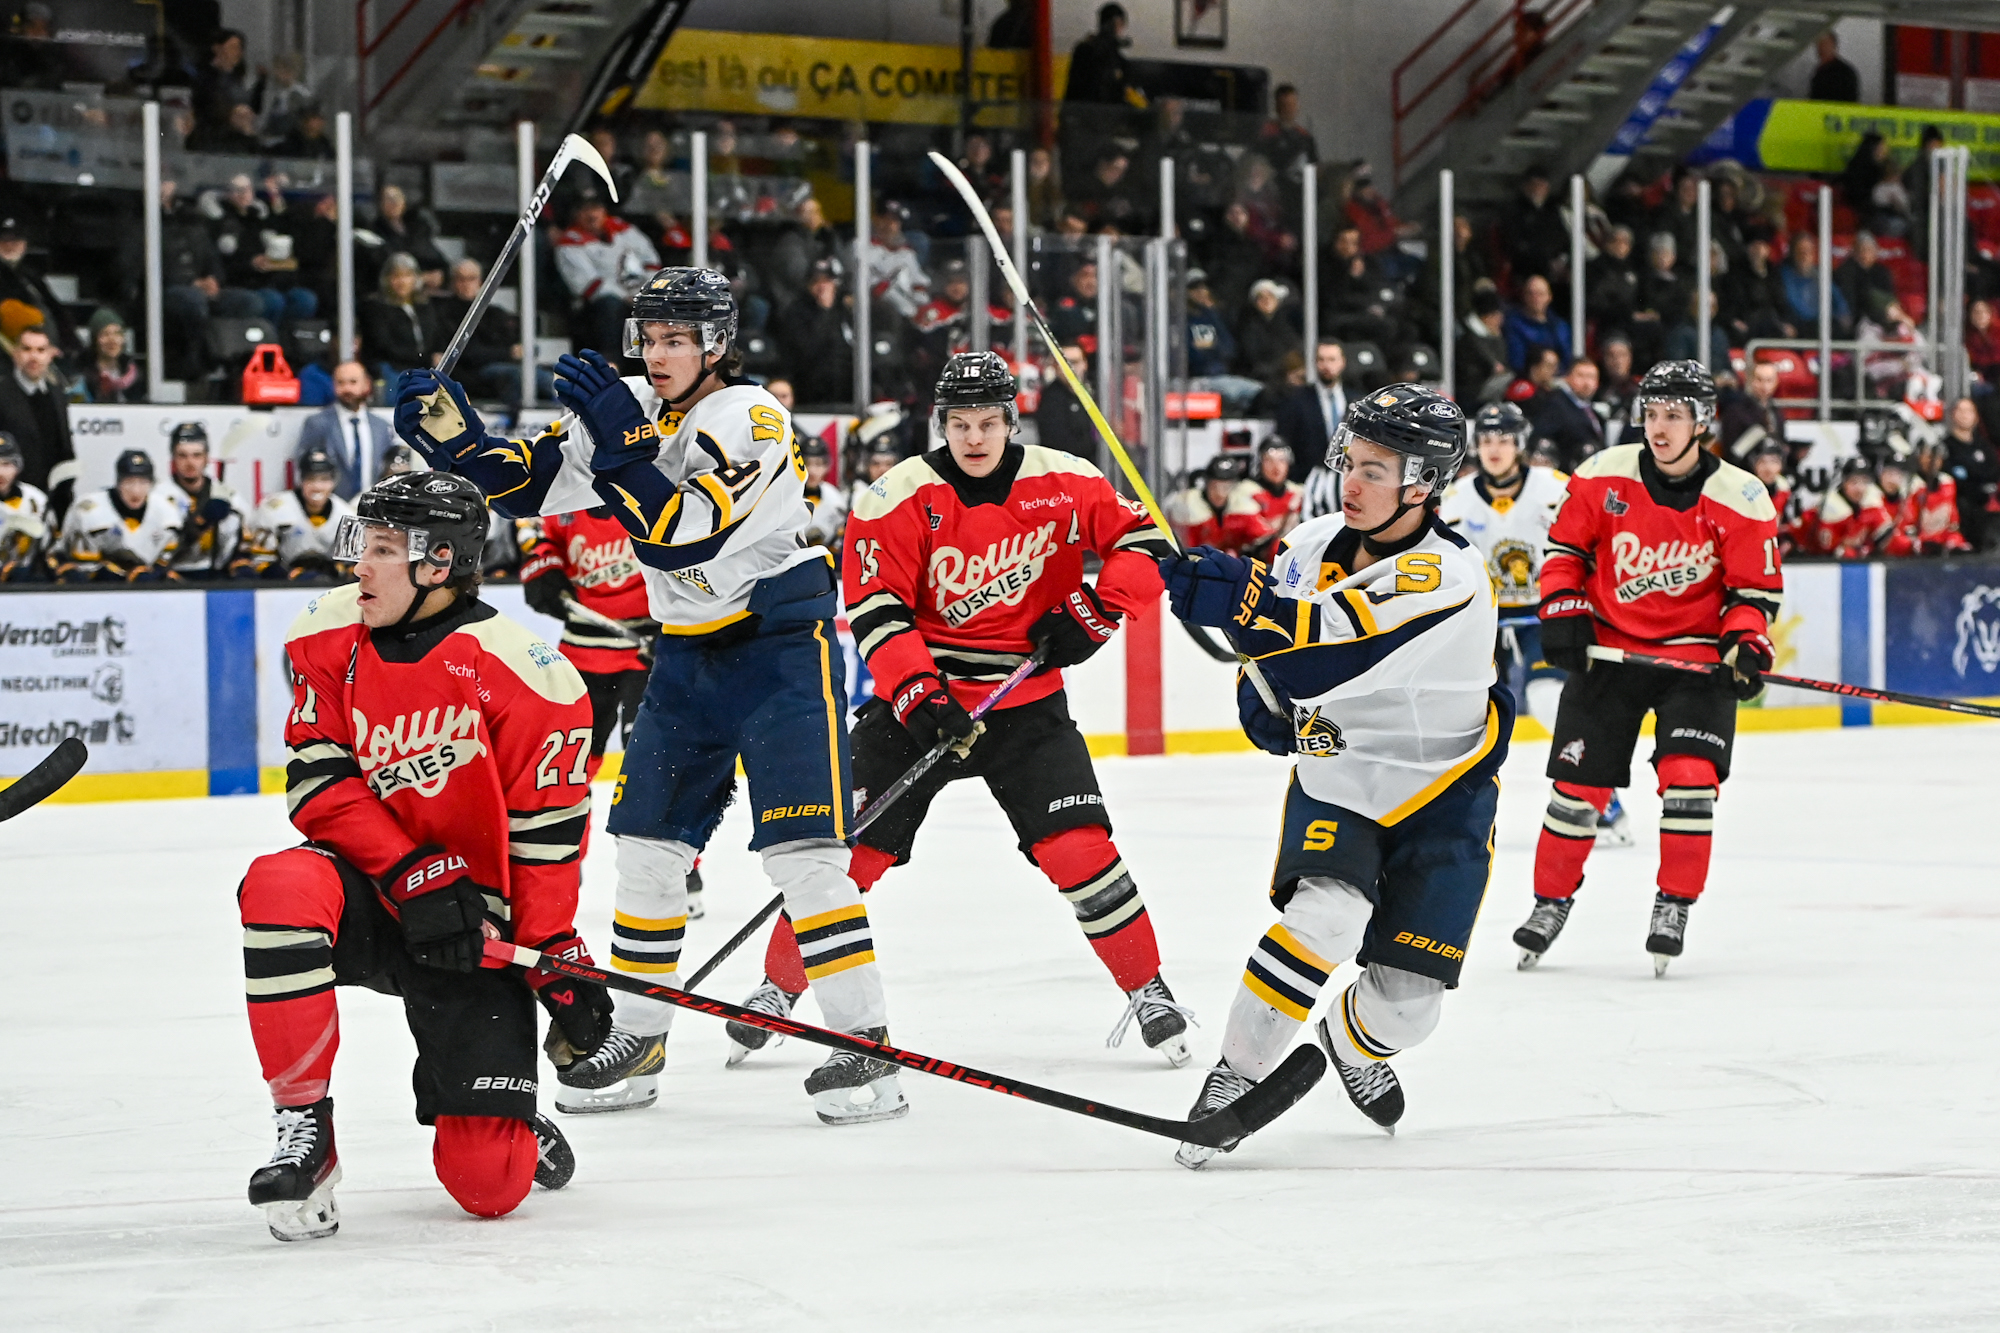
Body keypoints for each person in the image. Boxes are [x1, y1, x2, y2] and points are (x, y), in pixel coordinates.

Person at [394, 267, 899, 1124]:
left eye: (676, 339)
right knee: (649, 852)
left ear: (717, 345)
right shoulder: (630, 404)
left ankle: (866, 1044)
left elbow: (676, 534)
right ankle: (639, 1035)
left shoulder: (753, 417)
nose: (657, 354)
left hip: (780, 650)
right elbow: (533, 485)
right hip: (686, 656)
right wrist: (457, 441)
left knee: (804, 857)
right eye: (648, 337)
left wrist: (621, 443)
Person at [733, 351, 1192, 1069]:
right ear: (939, 424)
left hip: (1026, 701)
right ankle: (778, 986)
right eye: (959, 424)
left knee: (1079, 850)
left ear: (1011, 421)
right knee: (849, 856)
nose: (974, 438)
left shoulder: (1067, 479)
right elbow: (876, 608)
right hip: (920, 706)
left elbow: (1146, 544)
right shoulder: (895, 495)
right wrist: (920, 691)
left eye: (987, 423)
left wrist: (1097, 609)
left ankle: (1148, 988)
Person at [235, 472, 606, 1241]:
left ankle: (498, 1106)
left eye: (381, 549)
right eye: (362, 544)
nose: (359, 565)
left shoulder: (530, 672)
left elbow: (545, 842)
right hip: (372, 892)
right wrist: (411, 870)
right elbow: (318, 782)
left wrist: (554, 958)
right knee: (280, 883)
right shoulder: (326, 631)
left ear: (439, 563)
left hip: (471, 928)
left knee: (487, 1186)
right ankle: (305, 1129)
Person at [1156, 384, 1509, 1164]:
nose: (1351, 481)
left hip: (1442, 792)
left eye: (1375, 470)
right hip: (1339, 775)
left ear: (1421, 484)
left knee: (1410, 1011)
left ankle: (1348, 1042)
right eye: (1350, 461)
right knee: (1325, 919)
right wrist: (1255, 693)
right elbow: (1271, 661)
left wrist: (1239, 601)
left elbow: (1330, 651)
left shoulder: (1450, 575)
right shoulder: (1310, 543)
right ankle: (1234, 1076)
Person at [1514, 360, 1782, 976]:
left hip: (1695, 659)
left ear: (1702, 422)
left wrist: (1745, 642)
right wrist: (1564, 610)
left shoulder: (1740, 496)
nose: (1658, 428)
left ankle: (1674, 903)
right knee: (1577, 791)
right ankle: (1550, 902)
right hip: (1611, 653)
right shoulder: (1602, 475)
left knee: (1691, 780)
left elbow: (1753, 592)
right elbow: (1565, 552)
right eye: (1652, 414)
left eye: (1674, 416)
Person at [1440, 404, 1634, 846]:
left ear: (1520, 444)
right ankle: (1447, 812)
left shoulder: (1555, 488)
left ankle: (1603, 800)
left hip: (1542, 617)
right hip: (1482, 623)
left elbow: (1598, 535)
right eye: (1486, 440)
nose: (1494, 449)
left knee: (1549, 702)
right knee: (1461, 718)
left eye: (1504, 440)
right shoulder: (1457, 497)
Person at [518, 506, 653, 780]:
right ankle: (575, 809)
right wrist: (542, 567)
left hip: (647, 650)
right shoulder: (563, 505)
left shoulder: (646, 501)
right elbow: (544, 543)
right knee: (575, 755)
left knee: (646, 753)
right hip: (582, 650)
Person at [555, 188, 663, 360]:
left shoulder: (624, 230)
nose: (592, 215)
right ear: (575, 214)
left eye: (596, 208)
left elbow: (651, 262)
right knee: (610, 307)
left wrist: (643, 294)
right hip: (597, 307)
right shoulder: (569, 243)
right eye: (585, 210)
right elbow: (590, 286)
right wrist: (627, 297)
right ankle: (611, 363)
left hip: (637, 295)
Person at [55, 448, 180, 582]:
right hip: (96, 583)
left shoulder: (166, 512)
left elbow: (164, 564)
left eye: (143, 482)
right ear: (118, 482)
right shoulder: (89, 510)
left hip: (144, 584)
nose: (136, 491)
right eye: (129, 482)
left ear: (151, 483)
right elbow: (81, 567)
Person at [234, 447, 353, 580]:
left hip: (331, 582)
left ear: (334, 482)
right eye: (311, 479)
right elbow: (260, 561)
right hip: (285, 583)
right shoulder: (274, 509)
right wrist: (290, 576)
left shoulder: (346, 514)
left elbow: (352, 565)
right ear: (301, 480)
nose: (317, 486)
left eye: (324, 479)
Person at [431, 258, 525, 403]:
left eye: (471, 279)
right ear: (453, 282)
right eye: (461, 279)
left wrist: (512, 352)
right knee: (514, 375)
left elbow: (514, 345)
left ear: (480, 282)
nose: (466, 284)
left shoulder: (495, 313)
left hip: (499, 365)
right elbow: (467, 353)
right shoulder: (444, 313)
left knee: (542, 375)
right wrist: (507, 353)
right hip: (469, 372)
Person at [160, 422, 248, 578]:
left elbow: (245, 546)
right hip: (170, 577)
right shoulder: (158, 497)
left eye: (197, 455)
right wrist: (201, 522)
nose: (190, 463)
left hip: (217, 576)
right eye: (182, 455)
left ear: (207, 458)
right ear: (173, 458)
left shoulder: (228, 495)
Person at [0, 325, 74, 511]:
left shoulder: (57, 394)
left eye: (41, 350)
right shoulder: (2, 394)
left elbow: (64, 447)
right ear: (15, 353)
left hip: (55, 502)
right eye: (27, 349)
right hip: (12, 503)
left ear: (50, 355)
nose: (34, 356)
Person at [298, 362, 392, 500]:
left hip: (371, 505)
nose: (347, 389)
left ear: (366, 384)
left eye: (353, 382)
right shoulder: (317, 423)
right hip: (331, 506)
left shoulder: (381, 427)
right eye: (340, 383)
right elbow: (304, 469)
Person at [1888, 434, 1973, 555]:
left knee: (1963, 549)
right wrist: (1919, 543)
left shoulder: (1948, 482)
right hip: (1914, 541)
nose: (1932, 461)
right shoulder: (1911, 485)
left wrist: (1953, 540)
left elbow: (1952, 521)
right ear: (1919, 458)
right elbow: (1905, 526)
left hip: (1941, 538)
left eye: (1937, 457)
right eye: (1927, 456)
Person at [360, 253, 438, 380]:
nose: (402, 282)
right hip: (392, 367)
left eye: (407, 275)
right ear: (386, 279)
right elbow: (385, 346)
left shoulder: (424, 306)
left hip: (423, 367)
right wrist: (424, 358)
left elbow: (434, 337)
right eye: (396, 276)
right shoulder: (376, 308)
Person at [1223, 439, 1304, 561]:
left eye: (1282, 460)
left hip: (1286, 559)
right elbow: (1257, 540)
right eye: (1269, 460)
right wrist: (1288, 516)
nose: (1276, 467)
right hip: (1249, 563)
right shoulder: (1245, 491)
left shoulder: (1298, 491)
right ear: (1260, 463)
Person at [1274, 338, 1348, 471]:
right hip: (1307, 476)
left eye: (1332, 359)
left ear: (1342, 362)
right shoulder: (1296, 400)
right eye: (1321, 360)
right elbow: (1286, 442)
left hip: (1346, 477)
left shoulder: (1357, 400)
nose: (1326, 366)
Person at [1798, 457, 1894, 558]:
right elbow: (1831, 551)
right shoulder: (1831, 507)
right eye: (1854, 482)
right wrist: (1861, 552)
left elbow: (1888, 538)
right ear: (1844, 482)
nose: (1859, 489)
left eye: (1864, 482)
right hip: (1808, 558)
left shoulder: (1870, 503)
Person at [1527, 357, 1606, 471]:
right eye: (1581, 376)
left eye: (1591, 377)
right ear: (1568, 378)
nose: (1586, 383)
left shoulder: (1594, 412)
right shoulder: (1554, 405)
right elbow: (1541, 441)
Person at [1943, 396, 1999, 551]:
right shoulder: (1946, 446)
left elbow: (1992, 474)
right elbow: (1952, 478)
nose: (1964, 415)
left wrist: (1971, 474)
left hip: (1984, 504)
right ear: (1952, 415)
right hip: (1959, 505)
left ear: (1976, 417)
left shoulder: (1984, 447)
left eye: (1969, 411)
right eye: (1960, 411)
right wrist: (1975, 477)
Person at [0, 433, 51, 581]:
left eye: (6, 464)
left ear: (18, 467)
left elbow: (48, 547)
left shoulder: (36, 500)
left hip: (23, 580)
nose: (0, 473)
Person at [1171, 453, 1248, 547]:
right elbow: (1185, 547)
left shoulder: (1243, 505)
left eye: (1227, 486)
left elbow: (1259, 539)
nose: (1220, 492)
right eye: (1215, 485)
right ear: (1206, 482)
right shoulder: (1187, 504)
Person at [1503, 275, 1571, 375]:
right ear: (1524, 296)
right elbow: (1517, 360)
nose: (1536, 298)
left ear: (1549, 297)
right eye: (1531, 294)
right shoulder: (1513, 324)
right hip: (1526, 377)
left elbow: (1567, 359)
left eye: (1540, 294)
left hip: (1557, 377)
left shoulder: (1560, 326)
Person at [1719, 361, 1786, 462]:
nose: (1764, 386)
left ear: (1776, 382)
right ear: (1750, 381)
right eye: (1759, 380)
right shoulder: (1735, 411)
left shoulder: (1776, 413)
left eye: (1769, 380)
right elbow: (1730, 453)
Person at [78, 310, 140, 404]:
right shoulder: (83, 375)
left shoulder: (134, 373)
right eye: (105, 334)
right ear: (95, 340)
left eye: (117, 333)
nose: (112, 340)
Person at [799, 437, 848, 548]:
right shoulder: (787, 497)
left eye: (818, 464)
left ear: (827, 466)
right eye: (806, 463)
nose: (812, 471)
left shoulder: (836, 499)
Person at [1809, 30, 1861, 104]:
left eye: (1825, 44)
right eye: (1819, 44)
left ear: (1834, 46)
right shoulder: (1818, 72)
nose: (1821, 48)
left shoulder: (1845, 73)